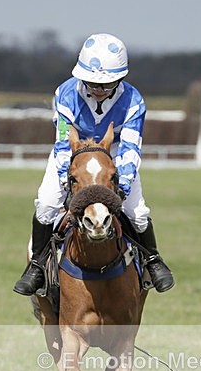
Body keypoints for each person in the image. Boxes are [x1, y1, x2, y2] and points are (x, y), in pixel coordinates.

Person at [13, 33, 174, 295]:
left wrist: (121, 185)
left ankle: (153, 261)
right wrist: (70, 180)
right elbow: (64, 143)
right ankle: (37, 267)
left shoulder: (134, 102)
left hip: (114, 159)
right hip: (74, 159)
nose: (98, 89)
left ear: (120, 78)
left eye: (106, 84)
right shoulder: (65, 94)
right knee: (45, 205)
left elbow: (131, 148)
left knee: (137, 213)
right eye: (92, 83)